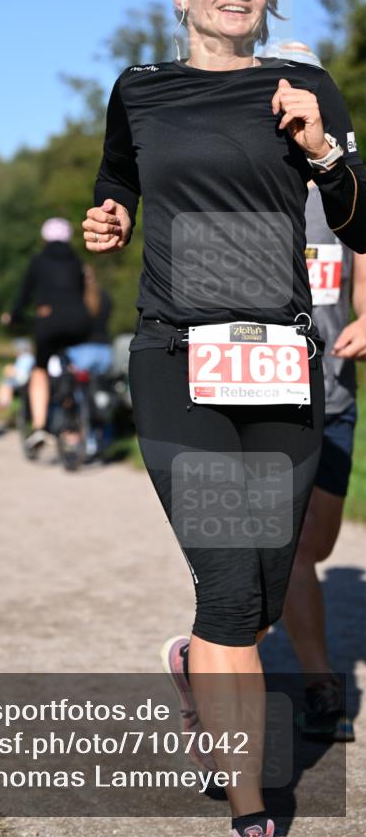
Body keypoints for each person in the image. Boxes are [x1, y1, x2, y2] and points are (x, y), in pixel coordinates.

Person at [83, 0, 365, 837]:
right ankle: (251, 808)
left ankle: (199, 670)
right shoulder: (140, 90)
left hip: (281, 365)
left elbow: (360, 220)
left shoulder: (301, 86)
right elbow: (114, 182)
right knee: (233, 598)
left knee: (259, 579)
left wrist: (321, 149)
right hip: (176, 358)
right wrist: (110, 220)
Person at [258, 42, 366, 743]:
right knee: (290, 546)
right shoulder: (246, 185)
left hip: (332, 391)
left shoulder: (346, 181)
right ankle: (319, 680)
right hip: (261, 396)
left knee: (316, 544)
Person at [2, 218, 93, 457]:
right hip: (79, 320)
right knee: (68, 362)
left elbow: (25, 293)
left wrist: (13, 315)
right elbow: (81, 293)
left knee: (39, 369)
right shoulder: (76, 262)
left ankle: (40, 427)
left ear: (44, 238)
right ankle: (72, 406)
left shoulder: (38, 261)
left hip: (49, 319)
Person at [66, 265, 114, 375]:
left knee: (82, 389)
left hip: (81, 350)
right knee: (101, 389)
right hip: (104, 350)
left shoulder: (74, 297)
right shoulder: (105, 296)